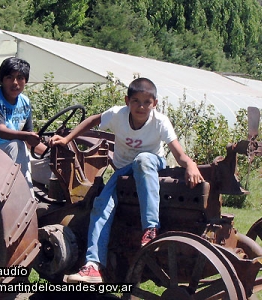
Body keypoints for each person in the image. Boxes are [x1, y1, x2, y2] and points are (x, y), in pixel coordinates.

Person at [49, 77, 204, 283]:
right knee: (101, 206)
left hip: (152, 166)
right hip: (123, 172)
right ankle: (94, 265)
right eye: (136, 101)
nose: (141, 106)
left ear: (155, 104)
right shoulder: (117, 115)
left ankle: (150, 228)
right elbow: (93, 120)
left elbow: (178, 153)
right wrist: (68, 139)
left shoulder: (160, 122)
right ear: (127, 101)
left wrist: (191, 165)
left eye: (147, 102)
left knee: (142, 159)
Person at [0, 57, 47, 197]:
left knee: (54, 161)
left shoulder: (25, 102)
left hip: (15, 154)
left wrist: (51, 150)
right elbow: (2, 132)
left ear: (25, 81)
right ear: (1, 79)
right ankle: (23, 197)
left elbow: (29, 138)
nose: (15, 83)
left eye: (20, 78)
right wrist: (27, 136)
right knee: (17, 144)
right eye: (10, 77)